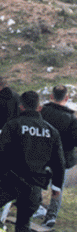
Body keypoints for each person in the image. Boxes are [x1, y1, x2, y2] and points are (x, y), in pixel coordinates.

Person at [0, 91, 65, 232]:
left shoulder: (13, 125)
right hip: (34, 185)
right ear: (39, 107)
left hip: (9, 181)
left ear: (21, 107)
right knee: (23, 224)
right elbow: (59, 162)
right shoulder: (51, 131)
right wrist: (56, 187)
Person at [40, 85, 77, 228]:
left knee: (36, 182)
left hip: (41, 156)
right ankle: (51, 216)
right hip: (62, 159)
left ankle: (35, 206)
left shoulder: (41, 112)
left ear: (51, 96)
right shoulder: (71, 118)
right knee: (57, 186)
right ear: (66, 98)